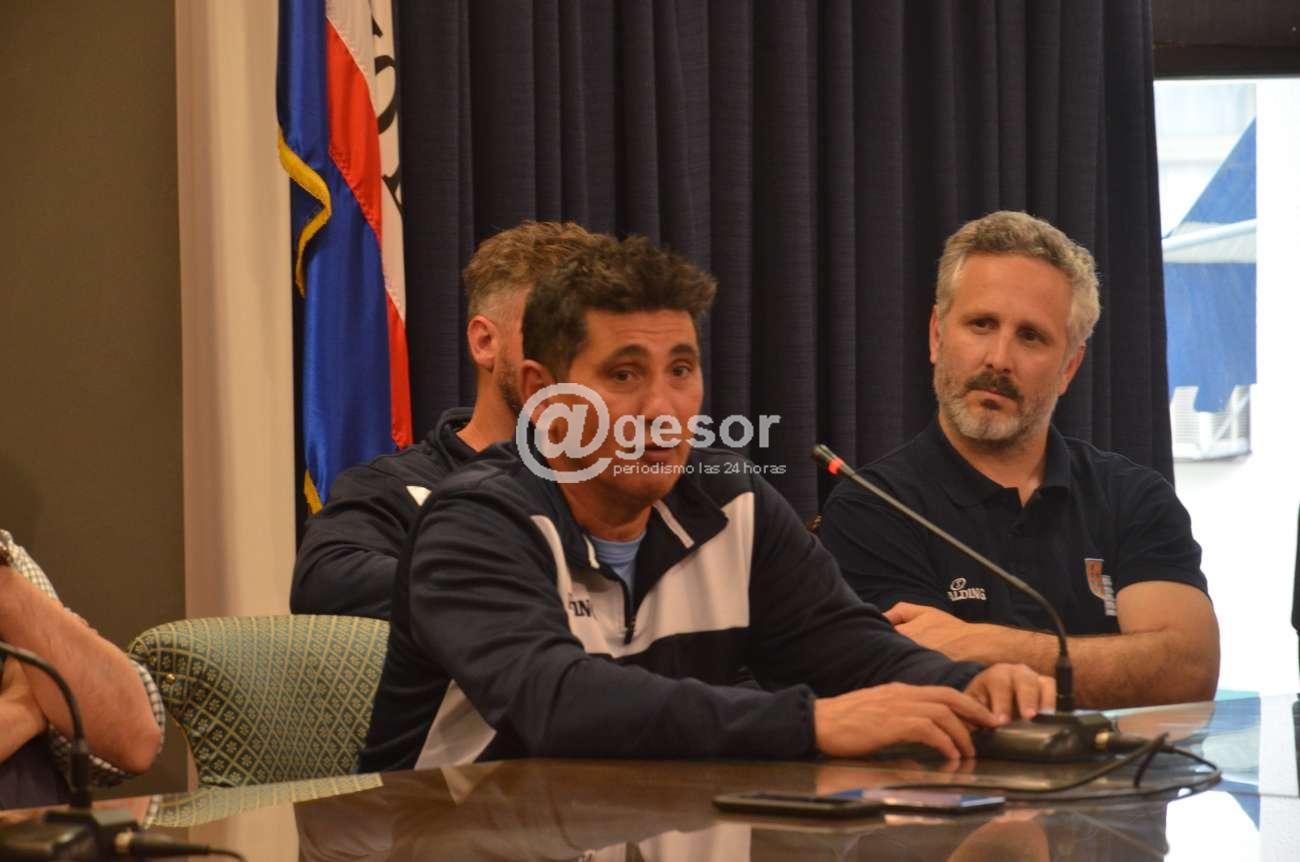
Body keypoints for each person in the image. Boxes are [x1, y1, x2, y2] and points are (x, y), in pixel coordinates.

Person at [361, 235, 1052, 773]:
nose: (663, 410)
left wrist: (972, 687)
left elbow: (853, 650)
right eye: (625, 374)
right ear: (545, 396)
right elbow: (560, 704)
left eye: (681, 371)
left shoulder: (731, 500)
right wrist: (812, 724)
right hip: (439, 838)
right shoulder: (474, 522)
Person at [818, 210, 1219, 710]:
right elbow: (922, 687)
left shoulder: (1133, 497)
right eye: (981, 324)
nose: (999, 359)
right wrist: (1114, 661)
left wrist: (982, 643)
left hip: (1118, 765)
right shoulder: (873, 507)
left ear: (1069, 367)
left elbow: (1189, 672)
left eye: (1031, 336)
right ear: (937, 336)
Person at [291, 221, 598, 619]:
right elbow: (325, 579)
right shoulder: (397, 487)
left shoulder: (631, 476)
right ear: (485, 342)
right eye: (552, 335)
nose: (575, 360)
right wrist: (513, 579)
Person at [0, 530, 163, 809]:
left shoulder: (8, 561)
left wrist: (5, 586)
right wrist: (28, 705)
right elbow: (64, 689)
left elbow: (134, 740)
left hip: (44, 829)